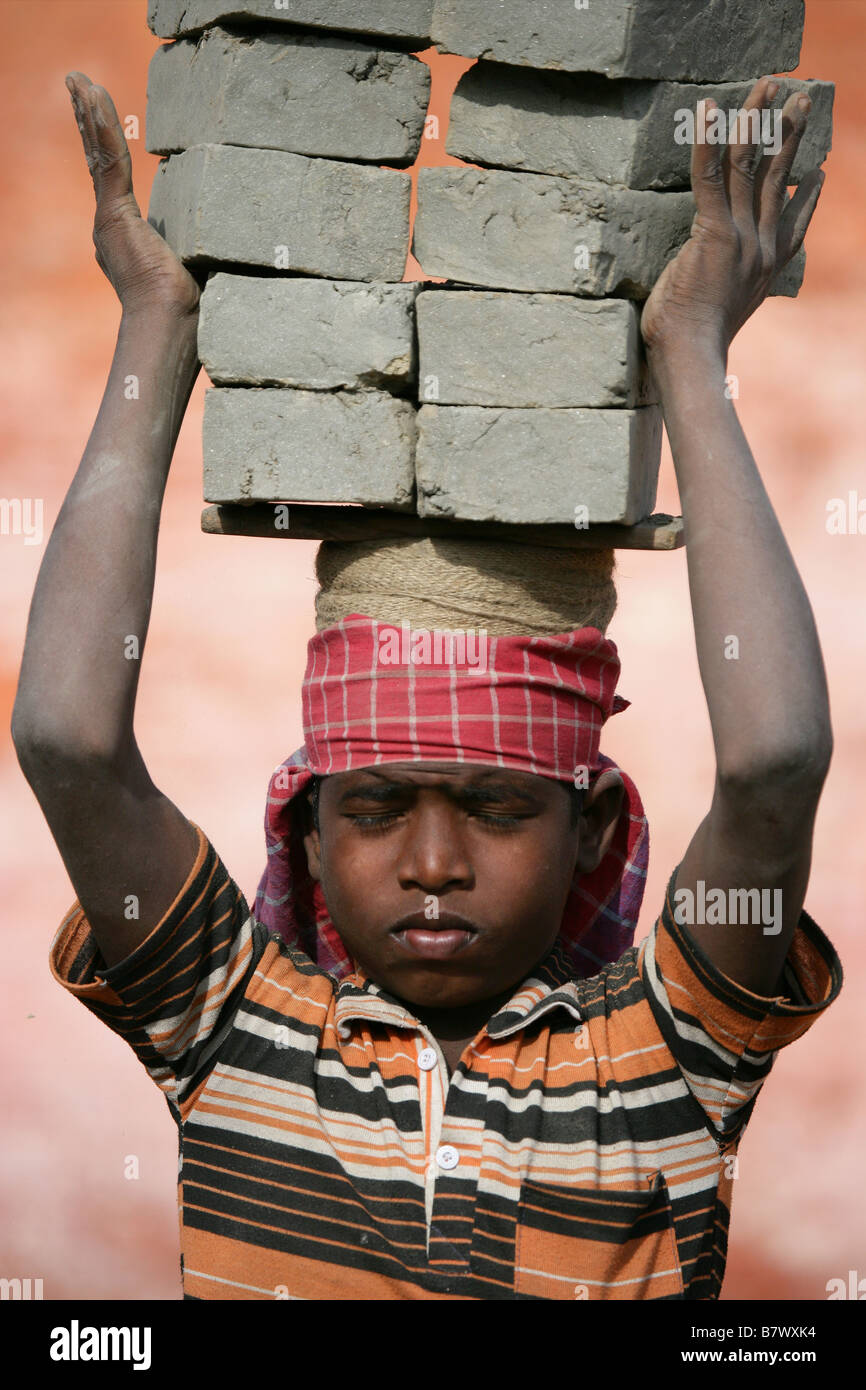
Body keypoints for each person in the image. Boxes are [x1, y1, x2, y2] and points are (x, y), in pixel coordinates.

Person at [11, 71, 841, 1300]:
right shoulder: (230, 1030)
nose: (432, 862)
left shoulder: (662, 1061)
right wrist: (157, 327)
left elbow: (772, 765)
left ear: (593, 827)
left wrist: (686, 350)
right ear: (301, 816)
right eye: (376, 806)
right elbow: (68, 739)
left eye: (500, 808)